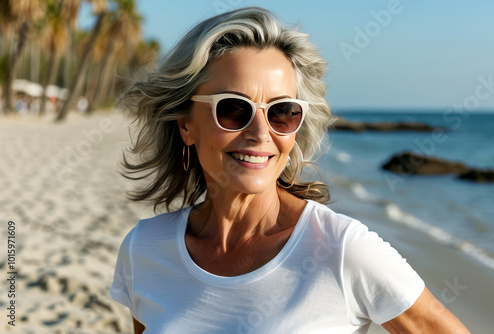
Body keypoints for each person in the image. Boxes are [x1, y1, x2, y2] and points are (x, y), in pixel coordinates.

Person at [110, 7, 470, 334]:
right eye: (234, 109)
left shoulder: (342, 249)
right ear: (185, 124)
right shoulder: (144, 249)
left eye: (282, 111)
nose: (260, 133)